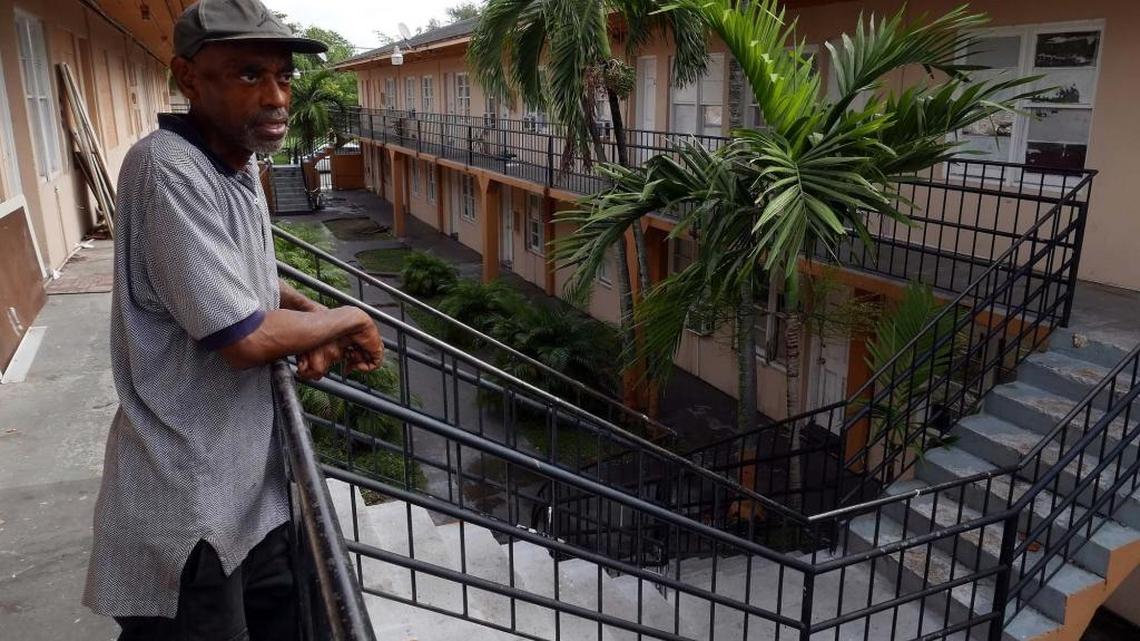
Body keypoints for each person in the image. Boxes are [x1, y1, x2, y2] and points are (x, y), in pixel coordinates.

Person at [82, 1, 382, 638]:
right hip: (188, 499)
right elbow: (245, 338)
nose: (277, 96)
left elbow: (244, 279)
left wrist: (315, 314)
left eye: (283, 76)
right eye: (250, 75)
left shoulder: (235, 165)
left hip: (251, 486)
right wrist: (348, 318)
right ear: (188, 77)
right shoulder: (168, 168)